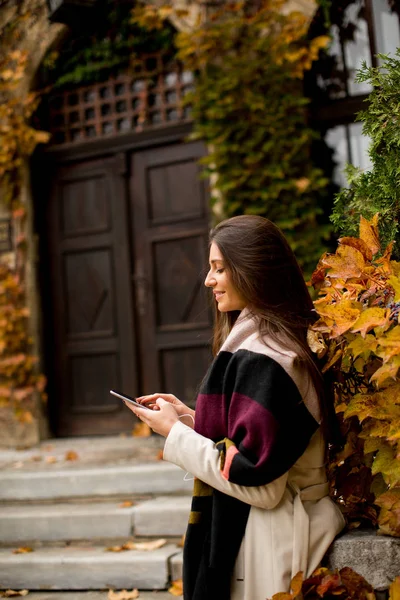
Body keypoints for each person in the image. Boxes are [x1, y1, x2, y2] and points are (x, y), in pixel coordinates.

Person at [124, 215, 345, 600]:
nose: (209, 281)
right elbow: (253, 443)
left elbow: (260, 484)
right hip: (270, 531)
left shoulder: (266, 357)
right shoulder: (272, 343)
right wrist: (191, 420)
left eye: (219, 269)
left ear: (253, 271)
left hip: (273, 539)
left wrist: (174, 435)